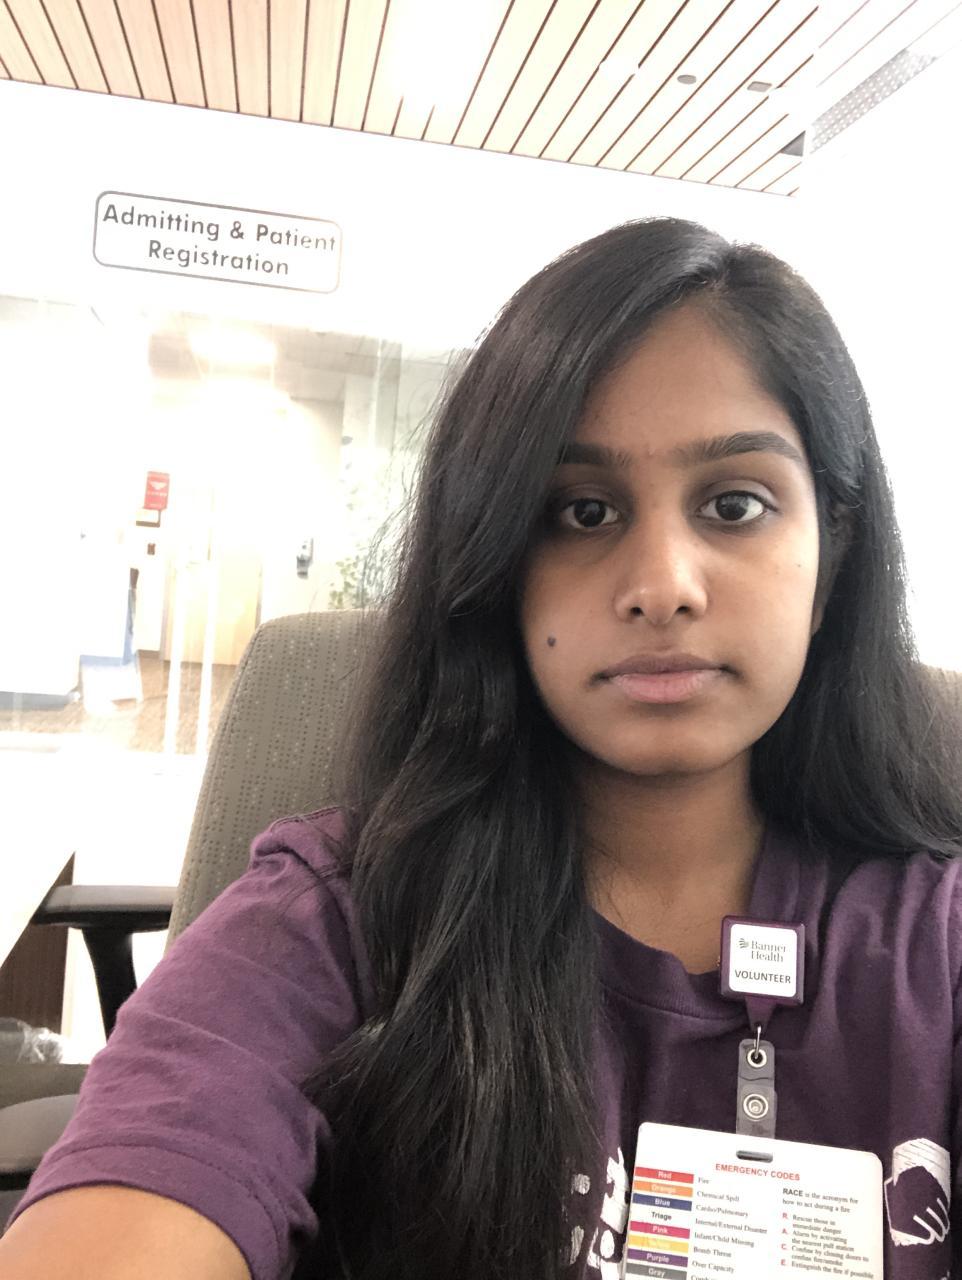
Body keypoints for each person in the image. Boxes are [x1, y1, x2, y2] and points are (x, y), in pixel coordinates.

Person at [2, 217, 961, 1280]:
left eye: (734, 504)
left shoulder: (939, 944)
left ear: (832, 556)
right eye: (582, 511)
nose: (663, 585)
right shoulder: (336, 921)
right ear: (496, 563)